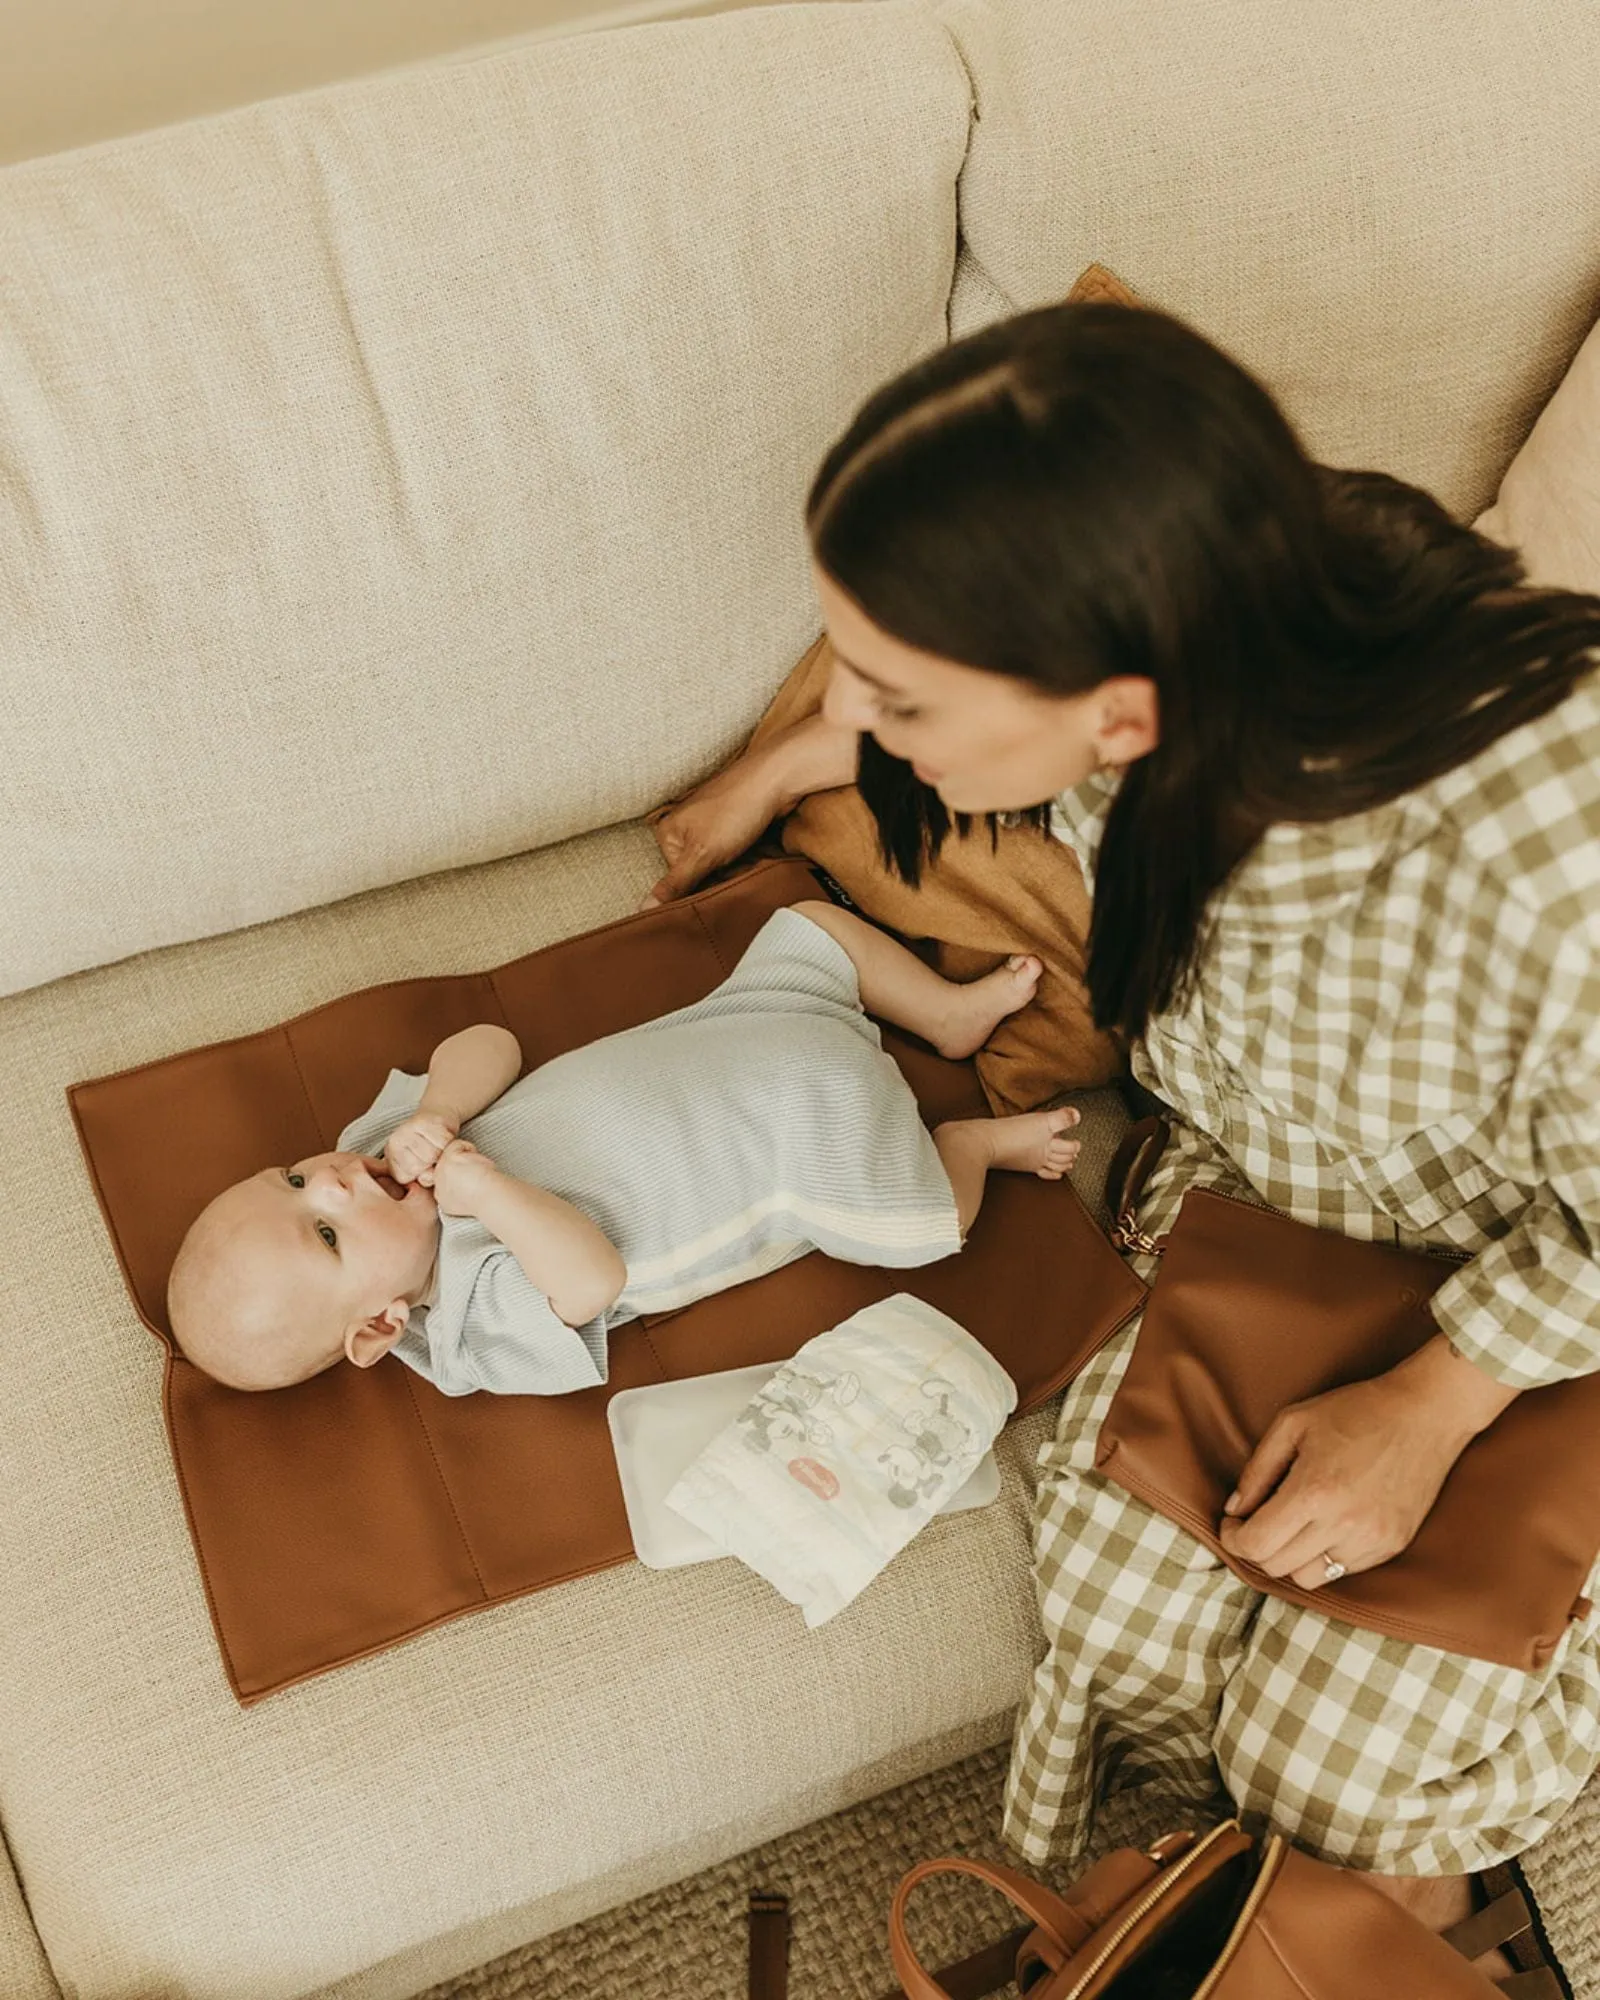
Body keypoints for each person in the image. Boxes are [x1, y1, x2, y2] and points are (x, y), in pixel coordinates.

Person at [644, 298, 1600, 1971]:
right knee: (1124, 1637)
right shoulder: (1204, 613)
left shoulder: (1543, 858)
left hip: (1541, 1296)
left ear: (1124, 714)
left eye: (896, 694)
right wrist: (782, 766)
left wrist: (1433, 1409)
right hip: (1260, 1198)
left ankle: (1427, 1931)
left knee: (1346, 1774)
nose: (863, 713)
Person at [166, 901, 1080, 1394]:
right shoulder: (471, 1327)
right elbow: (591, 1281)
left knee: (810, 923)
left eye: (291, 1178)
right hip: (807, 1150)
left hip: (745, 1022)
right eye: (324, 1232)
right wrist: (487, 1196)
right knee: (932, 1220)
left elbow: (493, 1043)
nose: (327, 1182)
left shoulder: (378, 1151)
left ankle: (947, 1016)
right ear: (379, 1324)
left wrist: (440, 1109)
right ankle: (969, 1145)